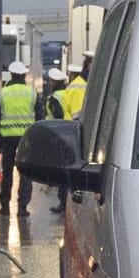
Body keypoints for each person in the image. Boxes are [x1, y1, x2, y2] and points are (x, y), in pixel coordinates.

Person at [0, 61, 37, 216]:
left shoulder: (2, 93)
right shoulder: (31, 93)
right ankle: (22, 208)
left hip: (8, 139)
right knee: (25, 174)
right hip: (27, 140)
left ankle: (5, 206)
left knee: (7, 174)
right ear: (24, 75)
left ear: (11, 75)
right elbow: (40, 118)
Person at [52, 64, 89, 211]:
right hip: (80, 134)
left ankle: (64, 202)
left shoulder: (73, 88)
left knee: (65, 170)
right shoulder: (85, 85)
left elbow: (68, 114)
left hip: (68, 135)